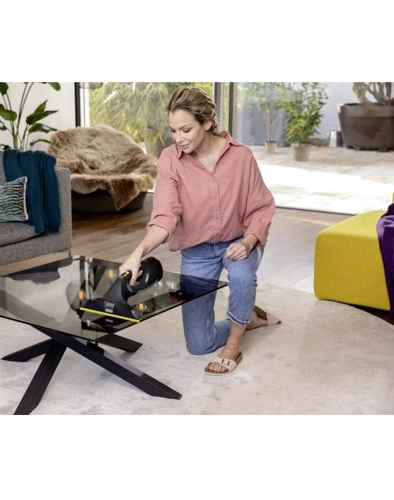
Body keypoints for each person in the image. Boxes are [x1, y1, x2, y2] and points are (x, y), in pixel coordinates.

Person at [119, 86, 280, 376]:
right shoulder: (170, 159)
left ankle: (233, 344)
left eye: (186, 130)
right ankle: (249, 318)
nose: (178, 139)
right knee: (198, 344)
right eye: (173, 131)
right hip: (197, 250)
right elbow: (165, 215)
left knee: (242, 275)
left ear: (206, 123)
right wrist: (138, 252)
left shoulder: (241, 157)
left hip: (238, 240)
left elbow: (261, 208)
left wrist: (247, 242)